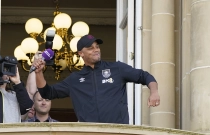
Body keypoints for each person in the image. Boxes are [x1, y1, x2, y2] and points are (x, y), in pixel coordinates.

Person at [31, 34, 160, 124]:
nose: (96, 50)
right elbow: (47, 93)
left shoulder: (116, 68)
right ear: (80, 53)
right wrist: (38, 72)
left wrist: (154, 92)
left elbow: (145, 76)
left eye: (97, 47)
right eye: (90, 48)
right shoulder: (75, 79)